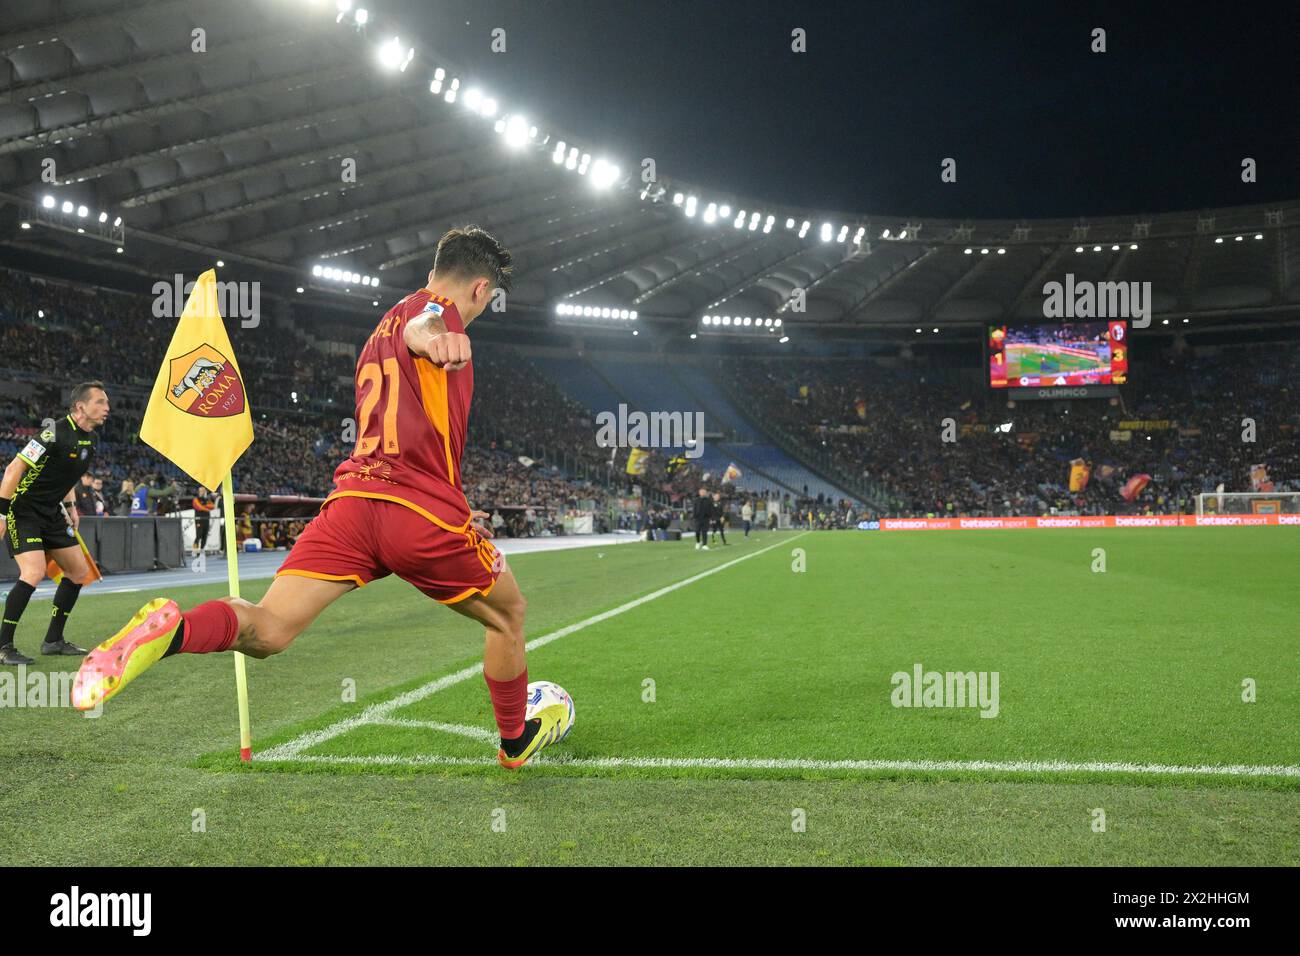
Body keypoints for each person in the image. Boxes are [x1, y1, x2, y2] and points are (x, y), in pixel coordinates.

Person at [73, 227, 568, 769]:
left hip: (353, 505)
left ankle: (172, 633)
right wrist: (435, 337)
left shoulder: (379, 328)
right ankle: (515, 739)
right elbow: (424, 326)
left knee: (269, 628)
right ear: (480, 289)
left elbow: (409, 366)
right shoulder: (435, 312)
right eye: (488, 302)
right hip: (417, 513)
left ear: (431, 270)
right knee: (508, 616)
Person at [0, 382, 110, 664]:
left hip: (51, 513)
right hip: (23, 510)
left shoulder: (91, 440)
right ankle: (4, 647)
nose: (106, 408)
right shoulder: (52, 432)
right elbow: (15, 468)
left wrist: (71, 507)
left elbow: (66, 475)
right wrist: (2, 513)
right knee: (34, 572)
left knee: (78, 572)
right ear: (80, 407)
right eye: (99, 402)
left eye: (106, 402)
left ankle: (53, 640)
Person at [191, 486, 215, 555]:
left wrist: (204, 506)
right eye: (201, 491)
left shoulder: (207, 499)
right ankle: (195, 551)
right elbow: (198, 507)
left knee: (205, 536)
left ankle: (201, 551)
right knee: (198, 535)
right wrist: (206, 508)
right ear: (198, 491)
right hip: (199, 520)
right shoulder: (195, 499)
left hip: (206, 519)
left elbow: (213, 506)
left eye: (203, 491)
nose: (202, 492)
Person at [692, 486, 712, 550]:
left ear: (706, 493)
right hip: (697, 518)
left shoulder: (708, 500)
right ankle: (698, 542)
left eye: (704, 492)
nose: (703, 493)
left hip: (705, 518)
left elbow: (710, 509)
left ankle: (704, 544)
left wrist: (710, 517)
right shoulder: (696, 500)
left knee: (704, 532)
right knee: (697, 531)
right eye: (702, 492)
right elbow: (694, 509)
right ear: (699, 493)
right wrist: (694, 516)